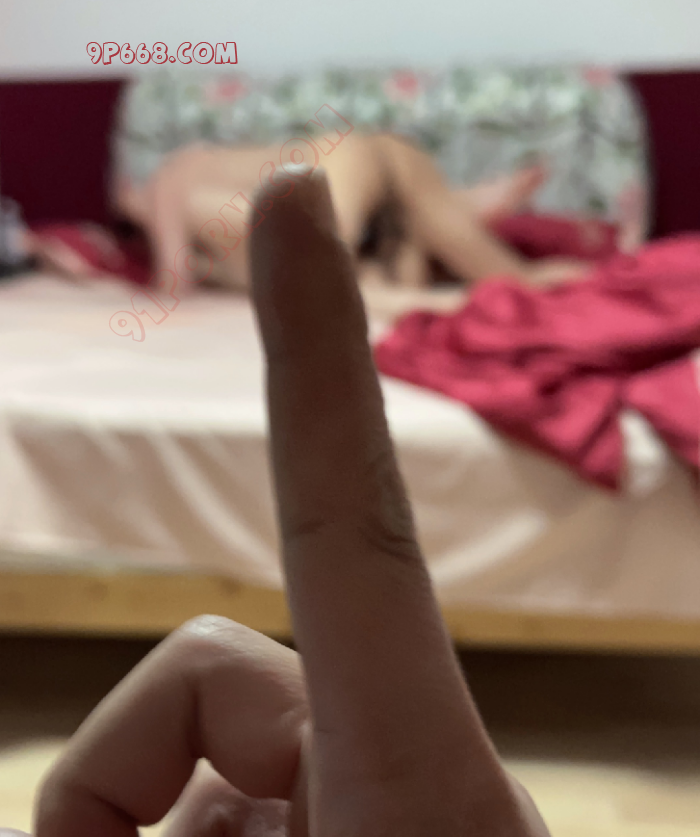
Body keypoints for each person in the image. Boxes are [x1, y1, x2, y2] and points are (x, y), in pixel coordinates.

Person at [14, 169, 552, 837]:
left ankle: (483, 255)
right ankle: (504, 264)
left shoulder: (182, 177)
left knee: (391, 230)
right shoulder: (237, 178)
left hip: (345, 210)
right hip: (362, 215)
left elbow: (171, 281)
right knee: (416, 242)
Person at [116, 131, 590, 320]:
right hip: (373, 161)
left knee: (318, 274)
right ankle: (466, 208)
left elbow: (172, 284)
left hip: (341, 164)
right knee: (515, 280)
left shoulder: (171, 179)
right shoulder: (212, 188)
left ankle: (448, 285)